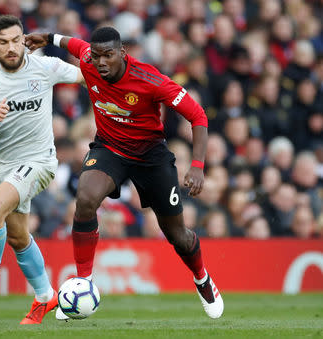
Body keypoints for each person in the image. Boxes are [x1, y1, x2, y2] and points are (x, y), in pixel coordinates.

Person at [25, 26, 224, 320]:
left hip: (151, 157)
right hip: (110, 149)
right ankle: (83, 281)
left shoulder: (151, 80)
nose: (101, 62)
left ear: (122, 53)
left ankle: (202, 278)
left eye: (108, 55)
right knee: (85, 199)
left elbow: (198, 115)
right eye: (97, 55)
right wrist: (50, 38)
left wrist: (197, 166)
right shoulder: (89, 60)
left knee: (177, 235)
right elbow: (76, 44)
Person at [0, 15, 83, 325]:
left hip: (39, 161)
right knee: (18, 237)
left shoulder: (46, 66)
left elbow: (89, 75)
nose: (11, 48)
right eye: (3, 42)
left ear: (23, 38)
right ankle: (45, 296)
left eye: (16, 40)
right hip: (2, 163)